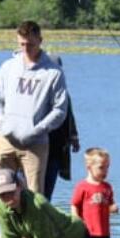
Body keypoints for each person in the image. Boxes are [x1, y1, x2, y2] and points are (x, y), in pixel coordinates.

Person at [0, 20, 69, 194]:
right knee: (1, 188)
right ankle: (1, 222)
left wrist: (37, 130)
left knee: (34, 194)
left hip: (35, 143)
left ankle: (32, 222)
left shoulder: (54, 73)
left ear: (40, 40)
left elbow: (60, 110)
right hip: (6, 138)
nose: (26, 48)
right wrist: (2, 123)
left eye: (30, 44)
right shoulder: (8, 67)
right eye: (22, 44)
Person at [70, 147, 118, 238]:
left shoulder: (107, 187)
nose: (105, 171)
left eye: (107, 167)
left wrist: (113, 207)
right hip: (88, 230)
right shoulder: (83, 186)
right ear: (89, 167)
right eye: (101, 168)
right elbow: (74, 204)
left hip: (103, 229)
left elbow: (110, 202)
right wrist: (76, 219)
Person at [42, 52, 80, 201]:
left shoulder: (63, 92)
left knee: (47, 190)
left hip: (57, 149)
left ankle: (44, 217)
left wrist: (74, 136)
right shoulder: (39, 91)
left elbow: (69, 115)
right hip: (39, 146)